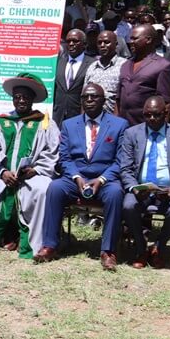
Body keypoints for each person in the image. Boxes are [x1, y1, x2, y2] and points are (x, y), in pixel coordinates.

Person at [40, 82, 130, 270]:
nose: (89, 100)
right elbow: (64, 158)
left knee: (115, 194)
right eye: (85, 97)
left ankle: (108, 251)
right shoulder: (69, 124)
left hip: (105, 180)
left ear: (104, 101)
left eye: (94, 96)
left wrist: (101, 180)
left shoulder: (119, 125)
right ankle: (50, 245)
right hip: (76, 178)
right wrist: (76, 177)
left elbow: (120, 160)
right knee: (54, 188)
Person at [0, 74, 60, 259]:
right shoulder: (0, 122)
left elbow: (52, 152)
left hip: (32, 176)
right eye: (17, 97)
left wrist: (36, 169)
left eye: (25, 97)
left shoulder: (45, 123)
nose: (21, 101)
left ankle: (31, 243)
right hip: (2, 175)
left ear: (33, 99)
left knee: (42, 191)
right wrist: (2, 171)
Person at [118, 96, 170, 268]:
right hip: (141, 189)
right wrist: (134, 187)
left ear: (166, 114)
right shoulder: (132, 134)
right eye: (147, 115)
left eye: (156, 115)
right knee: (128, 206)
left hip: (168, 190)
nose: (151, 119)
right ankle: (141, 249)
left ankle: (158, 248)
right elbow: (125, 168)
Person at [117, 23, 170, 126]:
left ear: (148, 40)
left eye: (135, 39)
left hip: (146, 128)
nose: (130, 42)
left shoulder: (163, 66)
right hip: (123, 127)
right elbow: (118, 100)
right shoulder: (125, 65)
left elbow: (166, 103)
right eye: (130, 38)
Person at [53, 29, 92, 124]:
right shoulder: (58, 62)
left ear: (84, 44)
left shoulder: (92, 64)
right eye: (68, 41)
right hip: (58, 115)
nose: (71, 44)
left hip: (79, 116)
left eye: (75, 41)